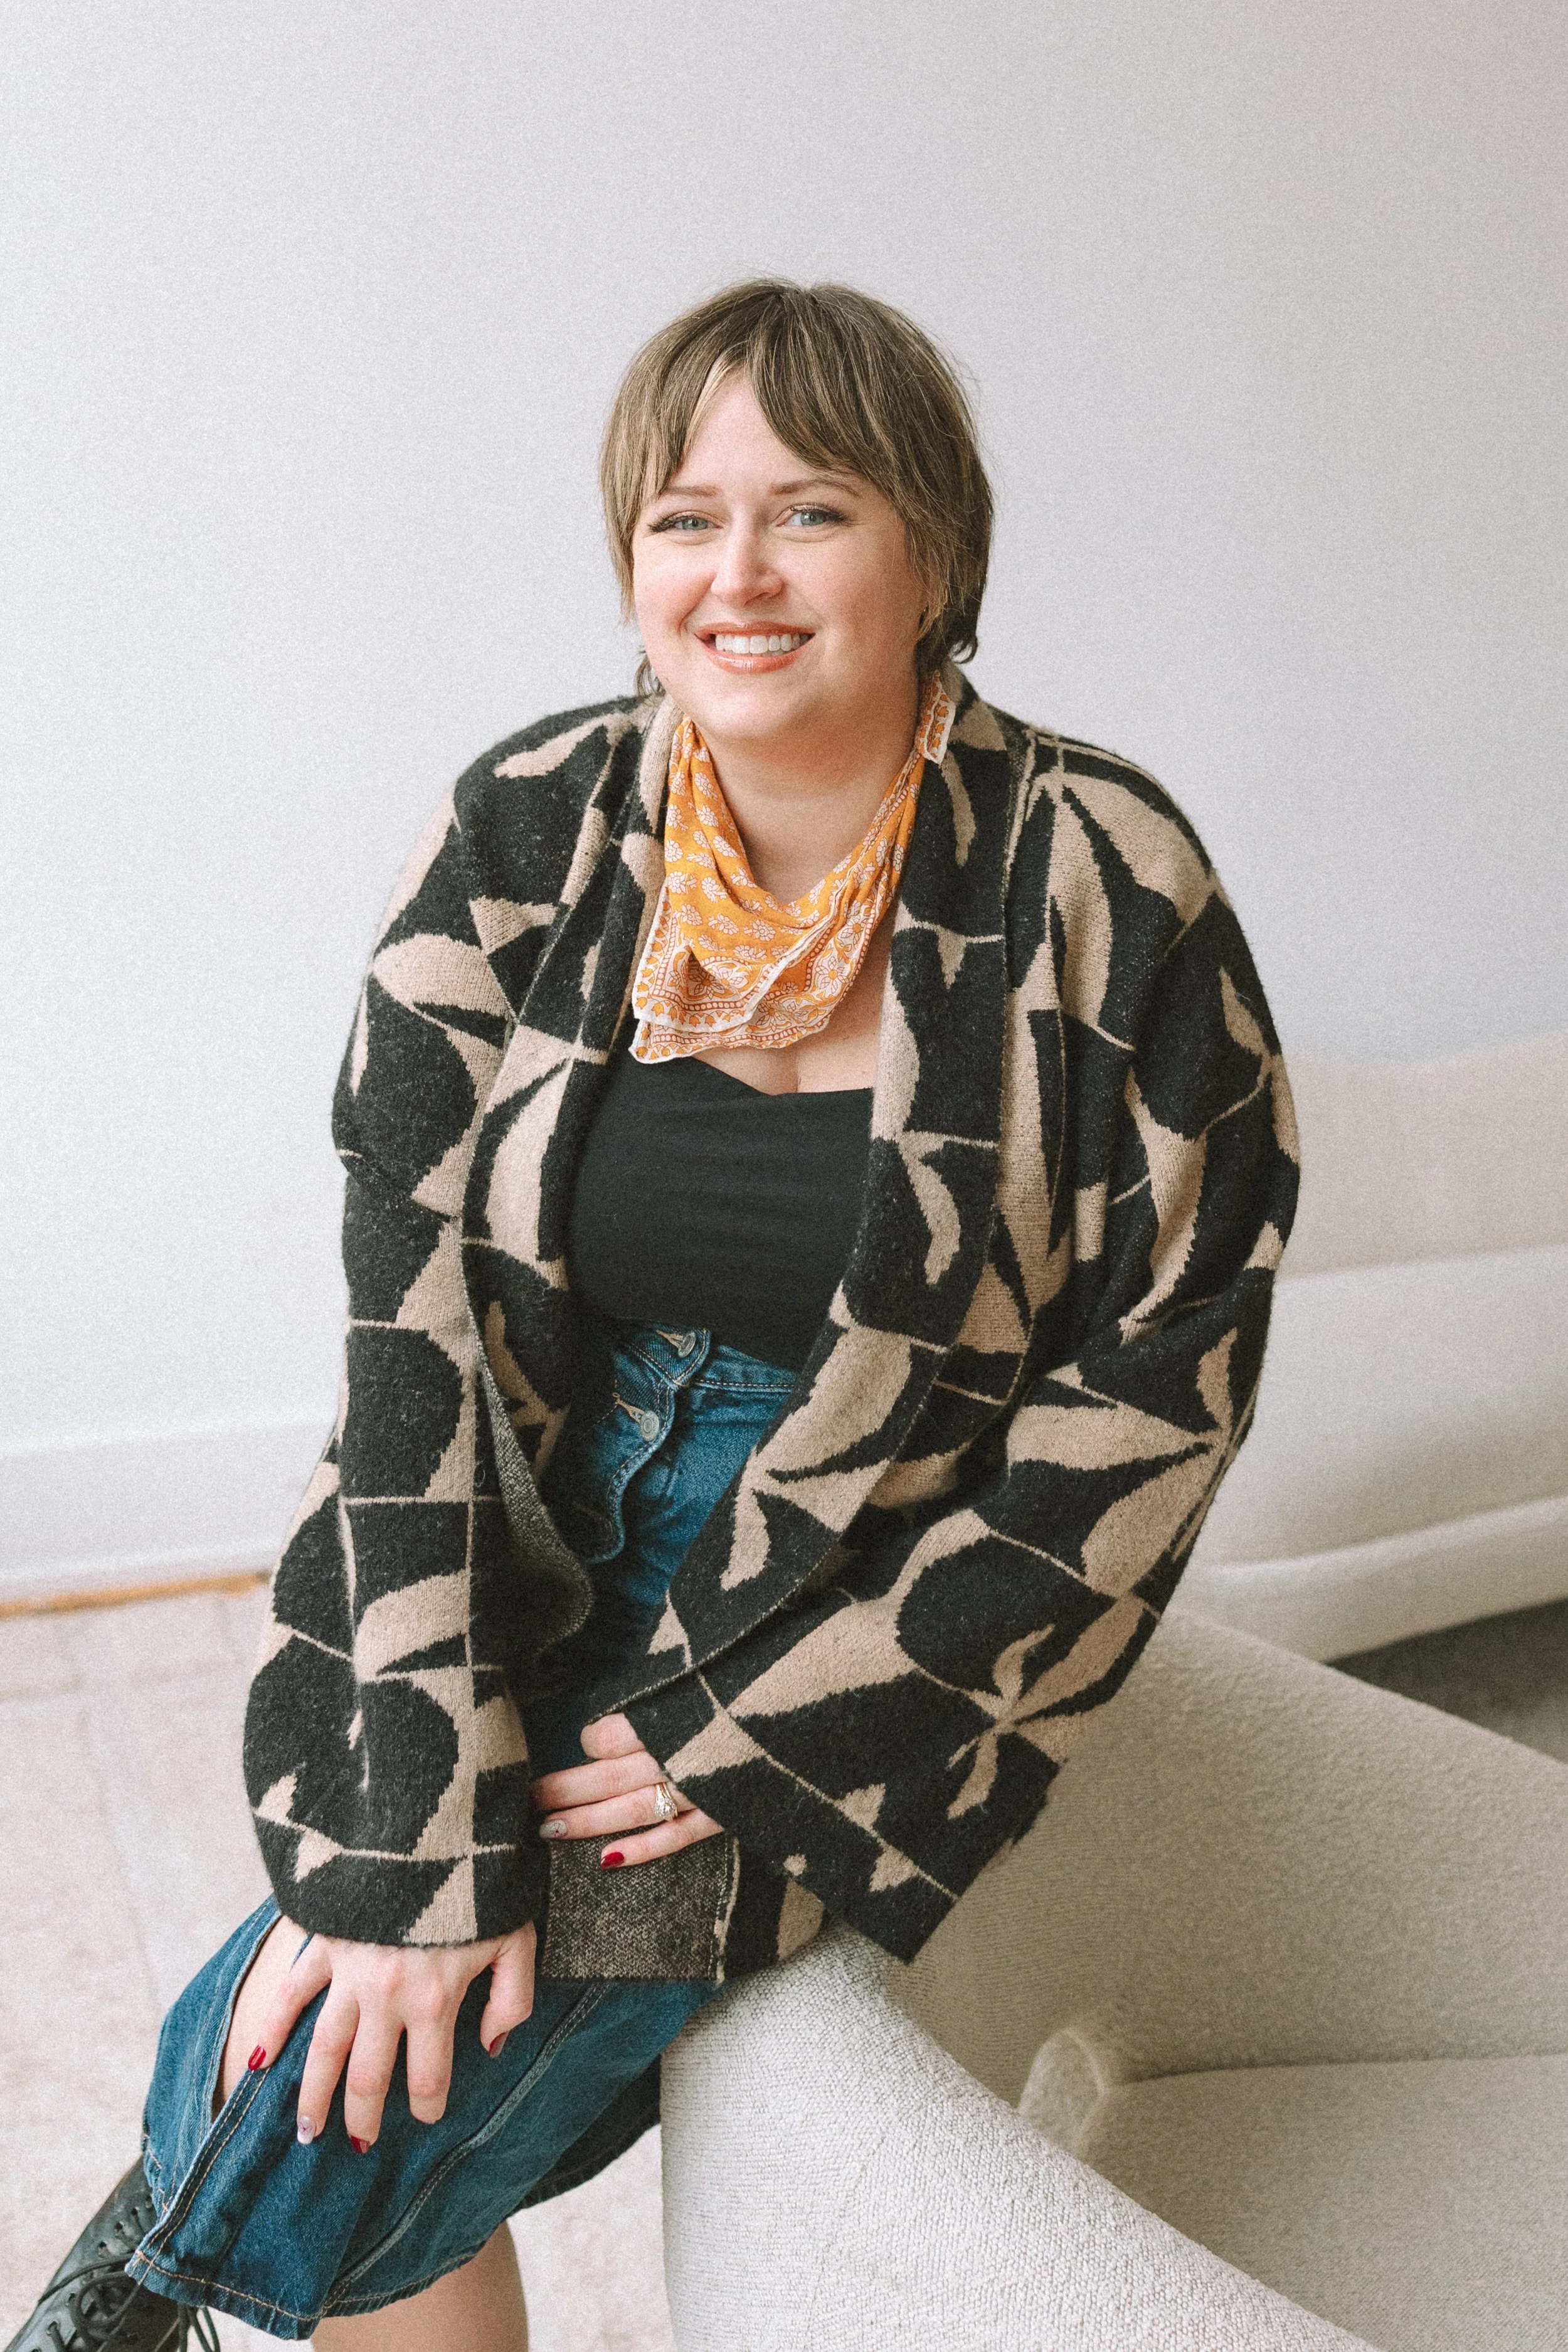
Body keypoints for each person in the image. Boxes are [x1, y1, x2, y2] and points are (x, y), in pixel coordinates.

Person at [10, 280, 1298, 2349]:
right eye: (684, 516)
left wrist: (762, 1739)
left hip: (852, 1596)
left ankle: (114, 2303)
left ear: (934, 552)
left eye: (811, 509)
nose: (739, 573)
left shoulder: (1104, 876)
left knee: (367, 2087)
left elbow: (1162, 1393)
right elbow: (406, 1319)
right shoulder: (528, 829)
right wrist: (409, 1830)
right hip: (514, 1525)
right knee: (365, 1969)